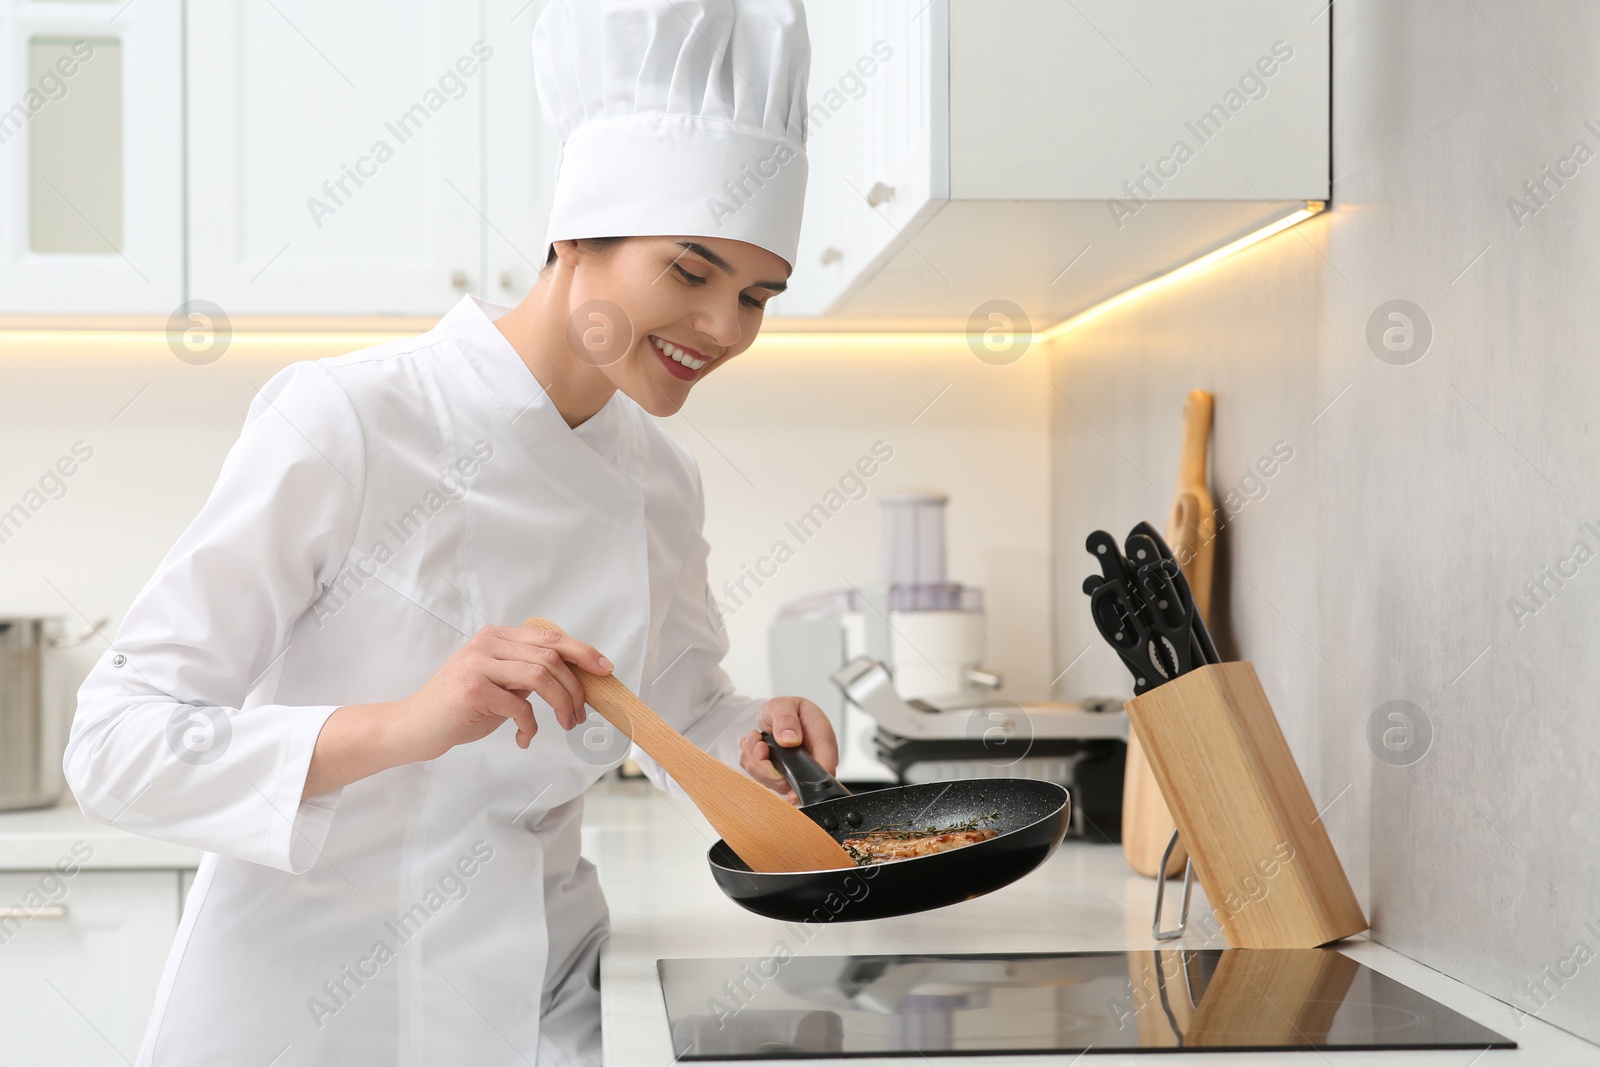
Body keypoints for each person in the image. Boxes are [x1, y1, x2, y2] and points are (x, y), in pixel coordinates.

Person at [63, 1, 824, 1062]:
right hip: (302, 1015)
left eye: (757, 295)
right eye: (690, 272)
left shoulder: (658, 478)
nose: (723, 328)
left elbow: (681, 708)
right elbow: (116, 743)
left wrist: (751, 735)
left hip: (537, 998)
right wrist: (413, 720)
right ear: (572, 231)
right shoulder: (351, 419)